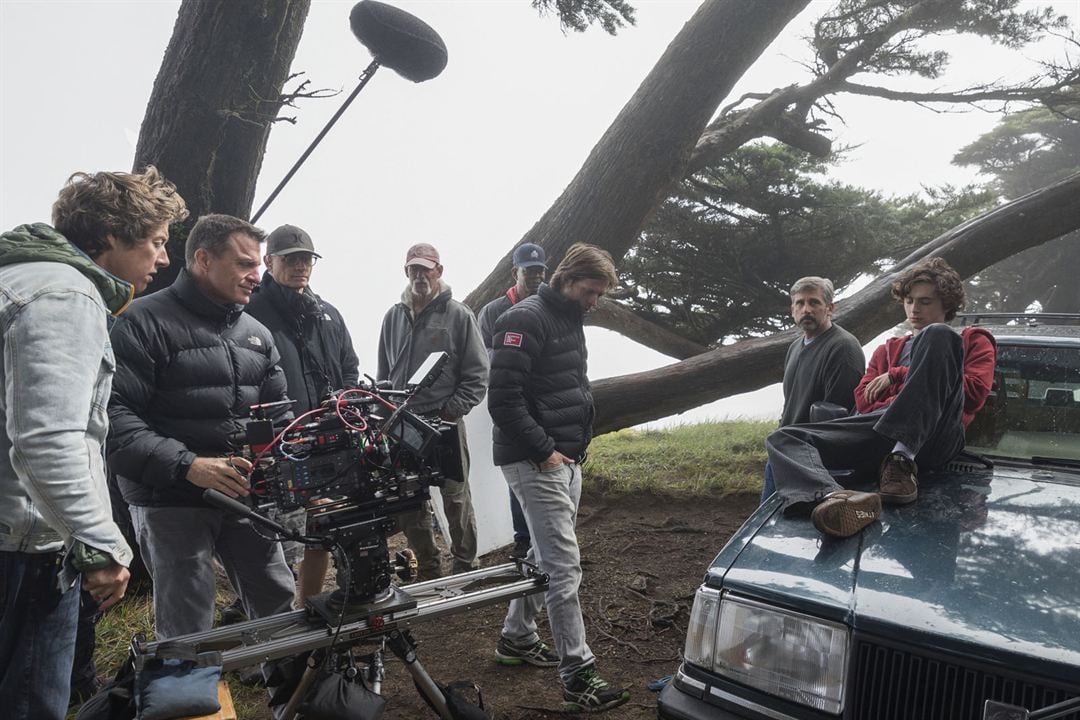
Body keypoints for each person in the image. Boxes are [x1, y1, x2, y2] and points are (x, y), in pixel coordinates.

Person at [0, 166, 187, 718]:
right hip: (26, 549)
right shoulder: (65, 295)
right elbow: (47, 440)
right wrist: (100, 544)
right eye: (155, 241)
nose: (163, 259)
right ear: (110, 237)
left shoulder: (20, 278)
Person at [107, 214, 296, 639]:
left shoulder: (258, 335)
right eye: (245, 264)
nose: (257, 275)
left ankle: (296, 703)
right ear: (204, 260)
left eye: (259, 264)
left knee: (279, 606)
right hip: (169, 500)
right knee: (187, 627)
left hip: (246, 498)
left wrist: (291, 467)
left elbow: (280, 416)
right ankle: (186, 702)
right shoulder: (141, 322)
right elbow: (113, 419)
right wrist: (190, 465)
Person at [488, 243, 630, 713]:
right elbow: (502, 402)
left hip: (566, 457)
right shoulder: (523, 319)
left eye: (600, 295)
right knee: (564, 566)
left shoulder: (568, 318)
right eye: (591, 292)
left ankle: (517, 637)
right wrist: (546, 452)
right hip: (537, 460)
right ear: (568, 281)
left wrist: (568, 453)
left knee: (541, 553)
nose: (595, 302)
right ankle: (579, 676)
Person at [766, 257, 996, 539]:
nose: (914, 309)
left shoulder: (971, 340)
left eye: (924, 302)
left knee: (937, 335)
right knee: (784, 438)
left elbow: (973, 394)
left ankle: (902, 458)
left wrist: (897, 376)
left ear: (946, 303)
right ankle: (836, 500)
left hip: (937, 433)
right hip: (881, 430)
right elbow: (863, 401)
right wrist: (903, 388)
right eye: (909, 300)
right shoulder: (887, 349)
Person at [246, 224, 360, 604]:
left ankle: (306, 605)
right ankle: (275, 624)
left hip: (328, 440)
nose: (300, 266)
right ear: (269, 262)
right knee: (280, 540)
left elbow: (349, 368)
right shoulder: (249, 312)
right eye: (291, 259)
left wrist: (342, 408)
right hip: (278, 446)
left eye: (306, 259)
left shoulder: (328, 313)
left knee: (324, 529)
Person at [377, 243, 488, 578]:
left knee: (455, 497)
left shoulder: (458, 314)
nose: (420, 274)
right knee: (410, 500)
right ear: (406, 271)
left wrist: (452, 411)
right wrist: (385, 413)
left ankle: (467, 565)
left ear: (439, 271)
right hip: (403, 425)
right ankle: (428, 567)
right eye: (414, 268)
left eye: (426, 268)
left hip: (443, 423)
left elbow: (478, 374)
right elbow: (384, 373)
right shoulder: (393, 316)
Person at [760, 276, 865, 501]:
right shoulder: (795, 347)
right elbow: (791, 404)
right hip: (784, 448)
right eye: (800, 303)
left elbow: (839, 420)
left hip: (811, 459)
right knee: (769, 523)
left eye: (814, 302)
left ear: (830, 308)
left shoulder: (843, 348)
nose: (806, 309)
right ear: (792, 309)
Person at [477, 242, 548, 559]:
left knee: (550, 464)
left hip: (546, 400)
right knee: (518, 468)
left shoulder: (552, 304)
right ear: (514, 272)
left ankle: (547, 535)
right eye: (528, 271)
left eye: (540, 271)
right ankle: (523, 537)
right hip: (511, 400)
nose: (535, 276)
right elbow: (484, 359)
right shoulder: (492, 312)